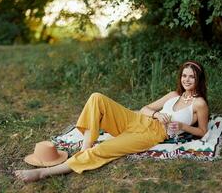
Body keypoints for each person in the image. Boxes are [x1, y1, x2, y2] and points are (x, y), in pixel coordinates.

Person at [15, 60, 209, 182]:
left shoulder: (199, 104)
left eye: (191, 76)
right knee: (96, 97)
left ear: (198, 79)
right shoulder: (173, 94)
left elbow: (202, 131)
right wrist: (156, 114)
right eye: (184, 75)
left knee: (103, 150)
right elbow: (145, 109)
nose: (187, 79)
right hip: (138, 119)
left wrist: (183, 126)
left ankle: (43, 173)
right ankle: (85, 148)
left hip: (153, 134)